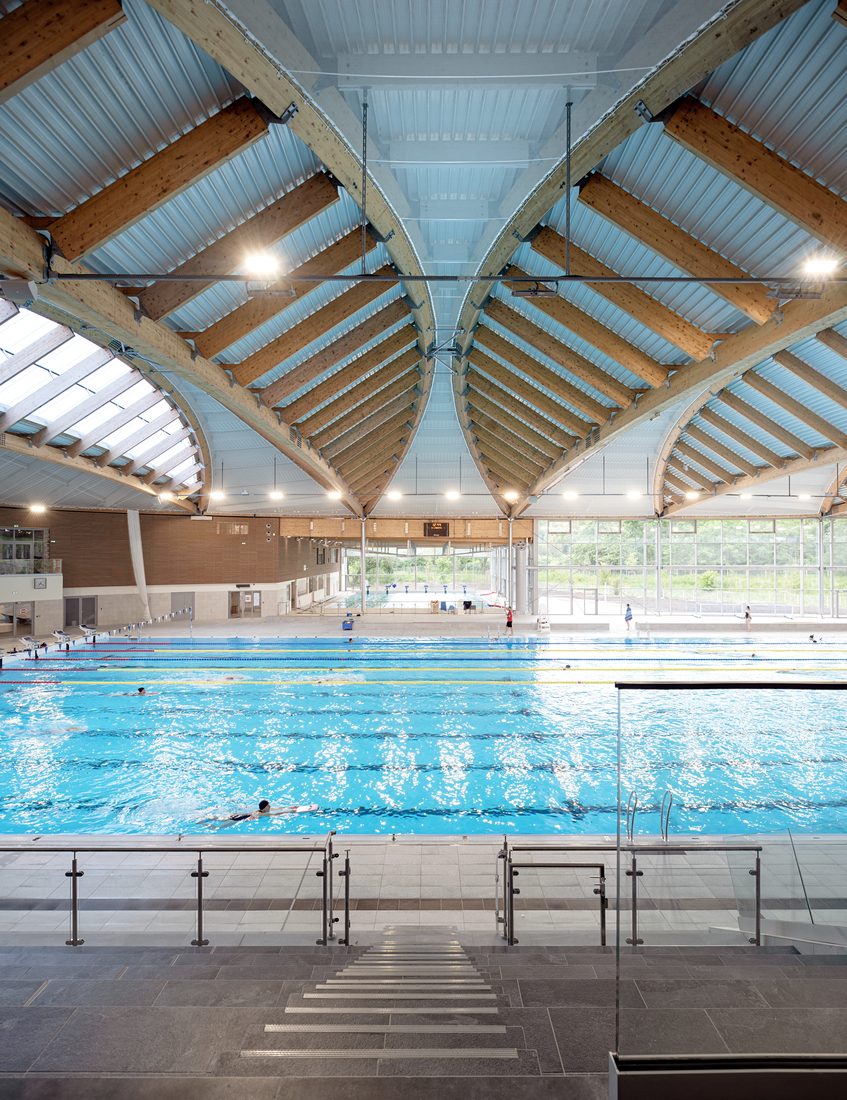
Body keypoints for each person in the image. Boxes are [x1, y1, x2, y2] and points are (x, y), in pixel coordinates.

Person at [201, 799, 310, 829]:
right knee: (217, 828)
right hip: (236, 819)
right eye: (268, 806)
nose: (270, 807)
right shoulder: (261, 814)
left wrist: (290, 807)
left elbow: (277, 809)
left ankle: (207, 818)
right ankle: (203, 822)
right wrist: (289, 812)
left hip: (237, 815)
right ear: (264, 807)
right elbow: (273, 815)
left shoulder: (260, 811)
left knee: (220, 819)